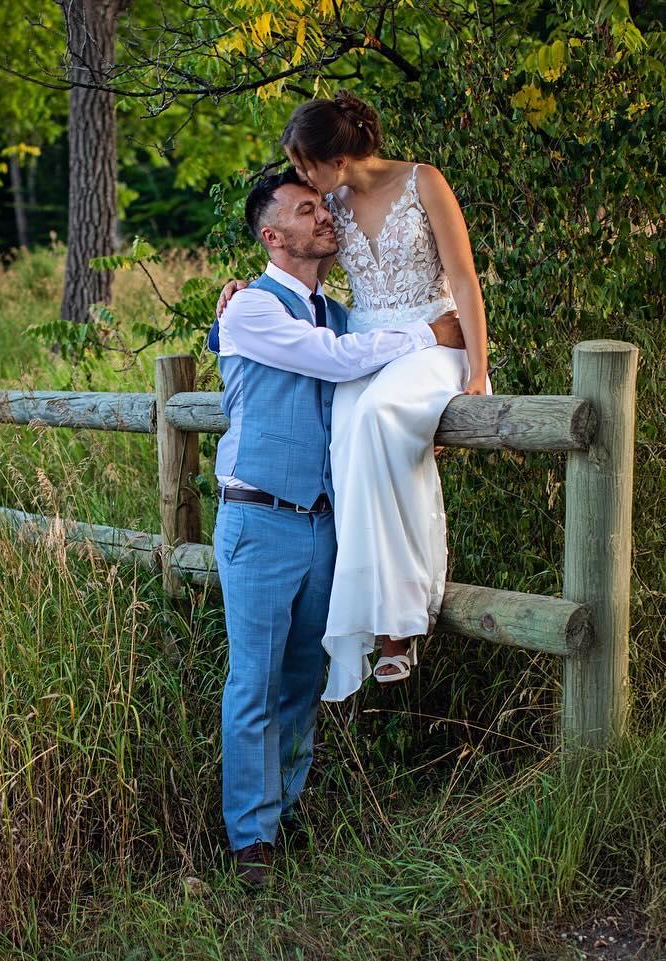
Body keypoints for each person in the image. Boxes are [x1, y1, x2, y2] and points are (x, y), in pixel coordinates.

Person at [209, 166, 464, 888]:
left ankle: (283, 815)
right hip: (258, 517)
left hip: (321, 524)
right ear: (272, 235)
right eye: (304, 209)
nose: (325, 217)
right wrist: (427, 333)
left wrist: (431, 385)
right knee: (254, 681)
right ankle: (250, 840)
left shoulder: (339, 311)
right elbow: (335, 361)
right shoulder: (252, 310)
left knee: (298, 681)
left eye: (322, 205)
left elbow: (368, 356)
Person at [218, 90, 491, 698]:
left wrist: (477, 371)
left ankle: (401, 621)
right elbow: (285, 252)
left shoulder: (425, 182)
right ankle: (368, 622)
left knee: (375, 416)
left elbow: (466, 278)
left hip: (436, 340)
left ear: (336, 159)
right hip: (368, 341)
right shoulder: (330, 205)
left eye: (306, 164)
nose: (301, 177)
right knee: (346, 444)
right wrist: (239, 285)